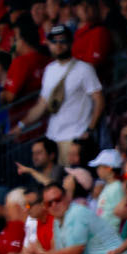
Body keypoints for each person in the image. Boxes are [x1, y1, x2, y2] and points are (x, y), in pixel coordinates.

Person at [27, 26, 105, 163]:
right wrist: (21, 125)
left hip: (75, 138)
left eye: (62, 40)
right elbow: (42, 104)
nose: (58, 45)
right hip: (52, 139)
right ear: (48, 44)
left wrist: (90, 130)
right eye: (54, 41)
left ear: (70, 42)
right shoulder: (49, 70)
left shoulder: (84, 68)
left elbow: (99, 100)